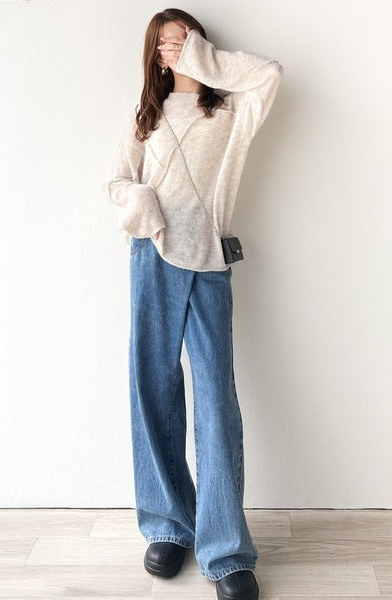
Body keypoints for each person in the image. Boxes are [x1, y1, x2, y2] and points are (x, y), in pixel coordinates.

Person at [105, 8, 283, 600]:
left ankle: (225, 551)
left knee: (215, 402)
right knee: (152, 388)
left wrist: (200, 60)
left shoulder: (232, 109)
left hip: (208, 260)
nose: (172, 50)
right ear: (152, 56)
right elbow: (116, 182)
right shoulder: (145, 116)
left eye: (181, 38)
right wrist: (147, 212)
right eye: (162, 44)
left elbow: (270, 73)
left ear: (201, 43)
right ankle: (167, 525)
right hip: (151, 257)